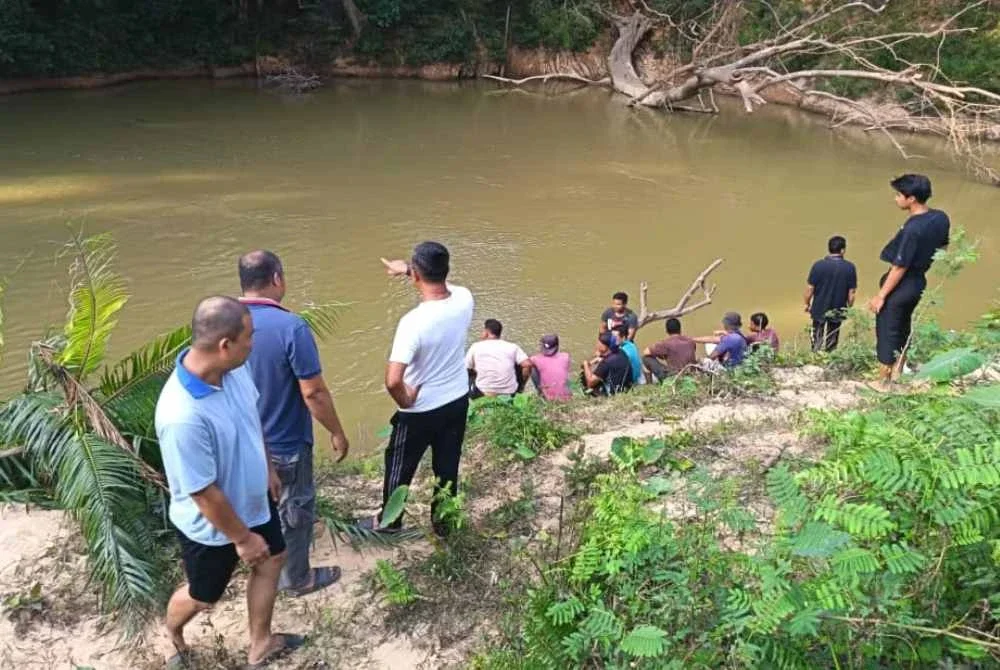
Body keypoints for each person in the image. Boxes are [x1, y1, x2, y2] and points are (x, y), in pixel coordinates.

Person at [155, 297, 303, 669]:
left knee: (272, 560)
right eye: (249, 337)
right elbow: (203, 492)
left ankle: (261, 643)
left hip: (253, 499)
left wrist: (266, 468)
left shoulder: (235, 371)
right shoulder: (181, 415)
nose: (253, 344)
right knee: (205, 595)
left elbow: (252, 420)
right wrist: (243, 538)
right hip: (213, 525)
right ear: (225, 345)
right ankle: (171, 633)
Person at [237, 250, 349, 598]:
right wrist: (337, 432)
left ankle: (256, 558)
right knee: (295, 506)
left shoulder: (223, 322)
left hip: (241, 443)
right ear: (277, 279)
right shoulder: (291, 327)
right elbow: (313, 393)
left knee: (257, 505)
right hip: (284, 442)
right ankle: (297, 578)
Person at [364, 242, 474, 537]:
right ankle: (443, 523)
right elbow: (440, 283)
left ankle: (390, 522)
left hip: (421, 409)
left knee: (400, 467)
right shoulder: (464, 298)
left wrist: (407, 400)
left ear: (415, 277)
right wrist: (408, 270)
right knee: (447, 463)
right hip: (457, 399)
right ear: (446, 270)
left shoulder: (412, 323)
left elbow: (392, 380)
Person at [869, 174, 950, 387]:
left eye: (898, 195)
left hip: (902, 284)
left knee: (887, 329)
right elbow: (943, 246)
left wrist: (881, 296)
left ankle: (882, 382)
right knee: (903, 326)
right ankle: (898, 371)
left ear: (911, 199)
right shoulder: (940, 217)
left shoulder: (914, 228)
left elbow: (900, 266)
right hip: (918, 282)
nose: (896, 199)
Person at [805, 235, 858, 352]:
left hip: (819, 307)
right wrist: (849, 307)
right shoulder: (850, 267)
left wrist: (807, 303)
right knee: (833, 335)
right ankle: (829, 356)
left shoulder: (818, 265)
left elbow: (809, 288)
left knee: (816, 335)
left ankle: (815, 356)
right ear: (842, 250)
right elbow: (852, 292)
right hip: (838, 307)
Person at [465, 319, 532, 398]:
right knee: (518, 364)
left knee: (467, 372)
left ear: (486, 332)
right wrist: (522, 384)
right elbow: (528, 364)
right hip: (509, 391)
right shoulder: (512, 347)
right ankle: (517, 391)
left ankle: (472, 398)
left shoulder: (476, 346)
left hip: (483, 391)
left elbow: (467, 368)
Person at [642, 317, 697, 382]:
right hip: (691, 375)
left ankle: (649, 384)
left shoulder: (666, 343)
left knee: (645, 358)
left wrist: (657, 355)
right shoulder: (690, 341)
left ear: (667, 331)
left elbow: (645, 352)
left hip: (674, 376)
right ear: (680, 329)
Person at [582, 332, 633, 396]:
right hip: (627, 389)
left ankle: (588, 396)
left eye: (599, 344)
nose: (596, 345)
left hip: (615, 394)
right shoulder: (621, 351)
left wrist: (585, 364)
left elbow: (590, 382)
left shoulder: (606, 362)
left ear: (604, 347)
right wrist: (600, 355)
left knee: (586, 376)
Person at [529, 334, 572, 401]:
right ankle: (566, 394)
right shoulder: (566, 356)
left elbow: (525, 363)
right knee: (564, 372)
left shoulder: (536, 359)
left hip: (549, 399)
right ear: (557, 347)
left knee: (532, 368)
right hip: (567, 399)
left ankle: (541, 395)